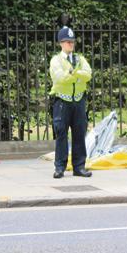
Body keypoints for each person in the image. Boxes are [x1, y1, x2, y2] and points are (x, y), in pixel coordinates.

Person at [49, 26, 92, 178]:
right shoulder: (56, 60)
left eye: (72, 42)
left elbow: (88, 75)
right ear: (61, 43)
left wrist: (74, 73)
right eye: (67, 42)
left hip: (79, 100)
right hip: (62, 100)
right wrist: (74, 75)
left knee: (79, 133)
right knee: (61, 133)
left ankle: (79, 167)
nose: (70, 44)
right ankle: (59, 167)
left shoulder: (80, 59)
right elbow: (59, 78)